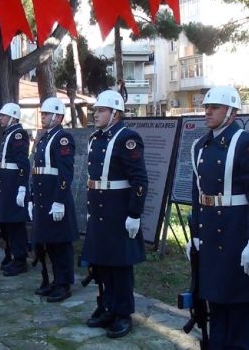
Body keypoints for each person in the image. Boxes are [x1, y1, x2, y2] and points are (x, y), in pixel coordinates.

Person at [189, 86, 249, 350]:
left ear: (232, 111)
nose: (208, 111)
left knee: (237, 304)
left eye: (214, 107)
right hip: (211, 232)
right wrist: (196, 234)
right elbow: (198, 194)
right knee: (215, 298)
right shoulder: (201, 145)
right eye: (206, 107)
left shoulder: (248, 143)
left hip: (236, 232)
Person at [82, 90, 148, 338]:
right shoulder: (95, 138)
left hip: (119, 209)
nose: (95, 114)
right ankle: (106, 306)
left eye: (101, 110)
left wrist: (134, 213)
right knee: (101, 263)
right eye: (96, 110)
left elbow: (139, 179)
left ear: (115, 113)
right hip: (99, 208)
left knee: (120, 266)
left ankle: (123, 313)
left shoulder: (127, 138)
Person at [29, 97, 78, 302]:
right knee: (50, 243)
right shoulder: (45, 137)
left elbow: (65, 173)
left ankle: (64, 283)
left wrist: (59, 200)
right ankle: (54, 281)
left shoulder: (62, 138)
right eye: (42, 113)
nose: (43, 117)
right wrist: (32, 197)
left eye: (47, 114)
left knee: (61, 244)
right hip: (43, 198)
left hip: (55, 198)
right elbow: (37, 171)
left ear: (58, 116)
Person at [0, 103, 31, 276]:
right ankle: (11, 255)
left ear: (13, 117)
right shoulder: (9, 133)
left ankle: (20, 259)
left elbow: (23, 163)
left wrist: (22, 187)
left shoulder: (17, 134)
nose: (0, 117)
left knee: (16, 224)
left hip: (13, 185)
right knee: (8, 223)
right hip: (6, 184)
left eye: (3, 115)